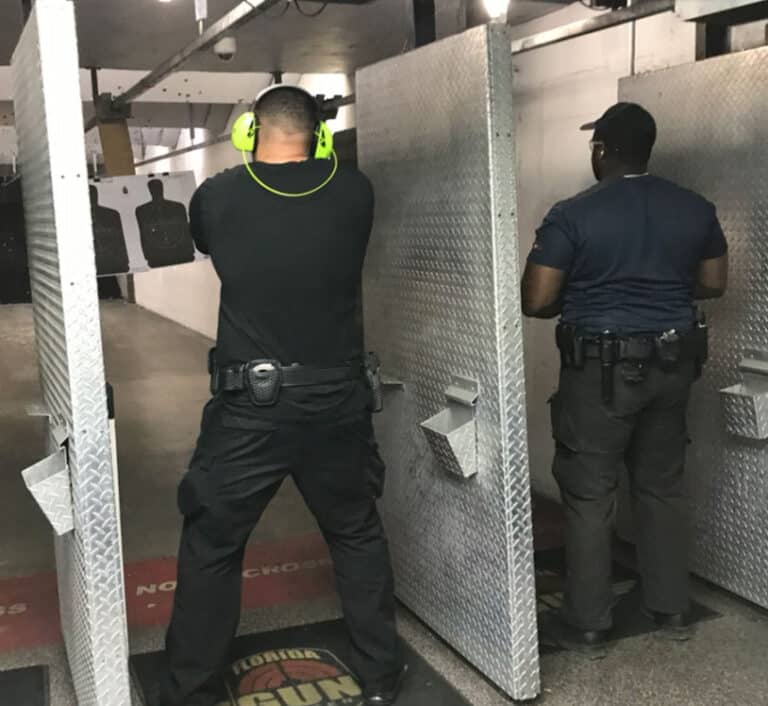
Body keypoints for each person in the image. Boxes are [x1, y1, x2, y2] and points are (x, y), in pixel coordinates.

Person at [155, 85, 405, 706]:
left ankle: (191, 689)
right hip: (337, 400)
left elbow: (210, 241)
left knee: (213, 542)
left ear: (249, 134)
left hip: (250, 408)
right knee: (354, 531)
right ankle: (380, 676)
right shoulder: (356, 190)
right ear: (319, 134)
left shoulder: (217, 196)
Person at [521, 103, 728, 657]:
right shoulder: (694, 208)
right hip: (674, 365)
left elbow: (536, 299)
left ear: (601, 151)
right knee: (661, 486)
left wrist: (590, 292)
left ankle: (589, 623)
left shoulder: (572, 214)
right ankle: (671, 609)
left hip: (600, 372)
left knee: (591, 494)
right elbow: (713, 282)